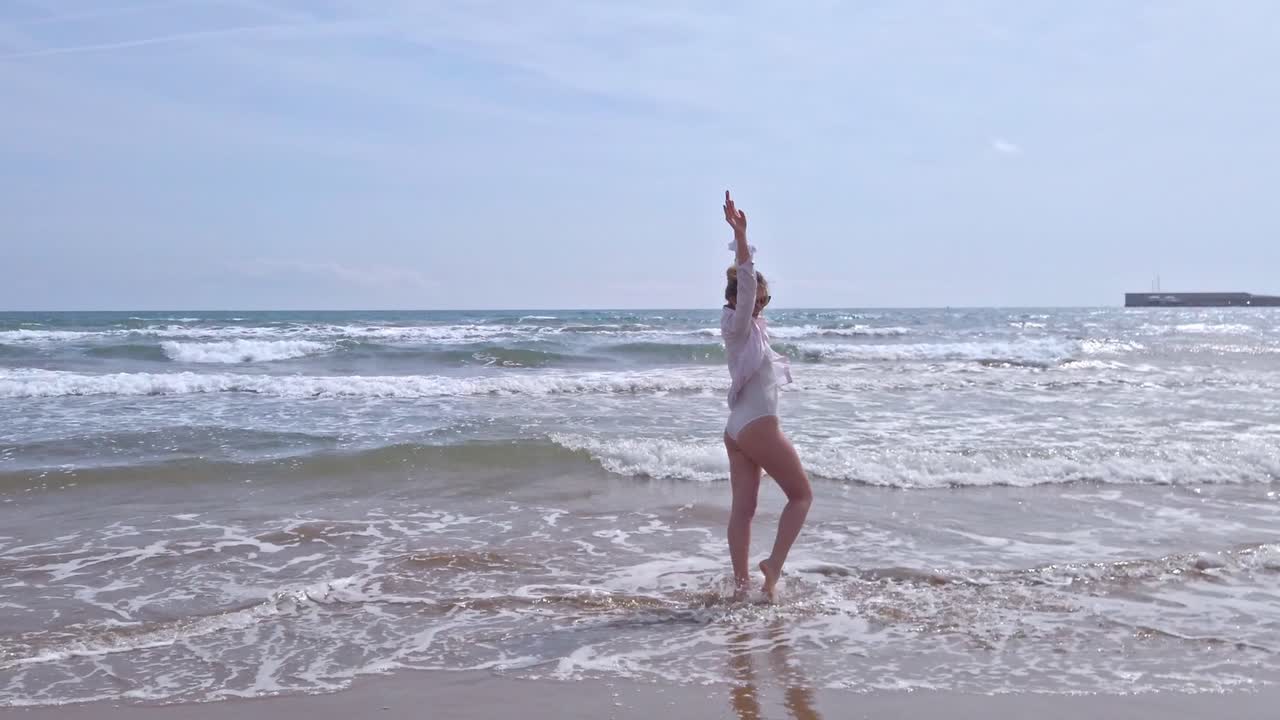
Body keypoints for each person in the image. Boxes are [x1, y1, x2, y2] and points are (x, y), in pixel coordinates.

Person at [720, 190, 813, 600]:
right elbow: (744, 280)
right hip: (756, 426)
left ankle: (742, 588)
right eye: (762, 298)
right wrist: (742, 237)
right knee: (801, 495)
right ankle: (772, 567)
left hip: (738, 428)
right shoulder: (739, 324)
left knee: (744, 510)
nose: (762, 304)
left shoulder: (747, 330)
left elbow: (746, 292)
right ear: (747, 297)